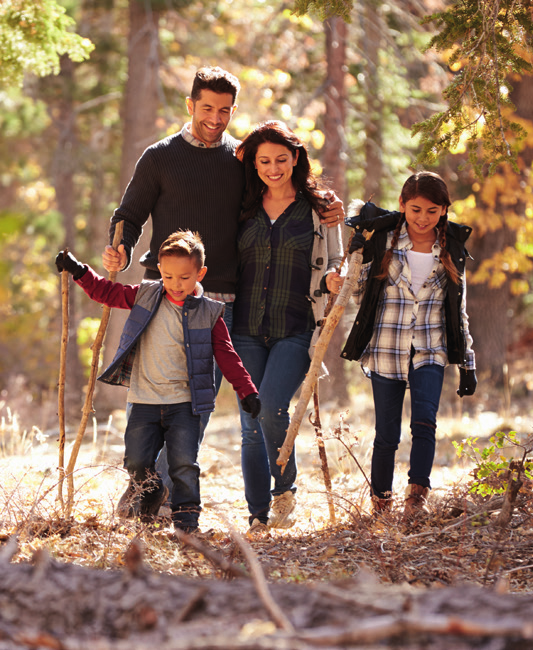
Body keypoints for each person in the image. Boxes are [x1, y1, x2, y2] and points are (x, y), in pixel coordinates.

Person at [101, 66, 344, 503]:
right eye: (207, 108)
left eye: (225, 110)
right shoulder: (159, 157)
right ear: (190, 104)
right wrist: (118, 246)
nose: (215, 118)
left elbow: (282, 188)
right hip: (161, 296)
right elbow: (129, 215)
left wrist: (326, 202)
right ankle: (144, 484)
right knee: (157, 396)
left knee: (197, 404)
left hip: (221, 301)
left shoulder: (240, 160)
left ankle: (157, 495)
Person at [56, 230, 261, 533]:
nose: (176, 285)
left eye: (184, 278)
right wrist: (79, 271)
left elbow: (227, 355)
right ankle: (151, 491)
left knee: (183, 465)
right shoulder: (146, 295)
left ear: (200, 273)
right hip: (144, 400)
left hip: (185, 404)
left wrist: (246, 390)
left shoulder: (210, 312)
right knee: (136, 461)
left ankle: (186, 522)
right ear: (160, 272)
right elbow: (108, 293)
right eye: (168, 277)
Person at [342, 171, 477, 518]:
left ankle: (416, 498)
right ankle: (381, 504)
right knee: (386, 433)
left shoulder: (451, 248)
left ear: (444, 210)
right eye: (415, 209)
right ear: (402, 205)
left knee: (425, 423)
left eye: (432, 211)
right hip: (387, 347)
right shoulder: (384, 240)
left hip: (430, 348)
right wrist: (357, 258)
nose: (423, 218)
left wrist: (467, 362)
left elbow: (458, 309)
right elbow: (358, 295)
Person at [232, 121, 344, 534]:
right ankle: (257, 515)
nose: (273, 167)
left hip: (296, 326)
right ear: (255, 164)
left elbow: (337, 259)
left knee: (272, 406)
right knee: (249, 422)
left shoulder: (319, 208)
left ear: (295, 158)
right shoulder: (242, 204)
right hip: (244, 327)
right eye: (264, 161)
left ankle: (284, 486)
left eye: (281, 159)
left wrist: (335, 277)